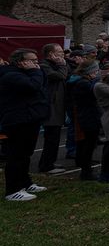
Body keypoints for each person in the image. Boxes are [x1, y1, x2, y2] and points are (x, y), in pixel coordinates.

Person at [0, 49, 50, 201]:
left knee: (26, 154)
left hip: (30, 119)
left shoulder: (26, 74)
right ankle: (13, 190)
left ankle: (25, 182)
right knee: (16, 155)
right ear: (21, 62)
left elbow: (41, 86)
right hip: (17, 120)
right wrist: (36, 72)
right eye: (32, 60)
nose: (36, 64)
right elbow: (33, 86)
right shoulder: (10, 75)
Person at [37, 43, 68, 174]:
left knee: (55, 137)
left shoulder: (56, 66)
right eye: (60, 52)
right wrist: (62, 65)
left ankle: (50, 162)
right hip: (51, 107)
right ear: (51, 54)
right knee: (51, 138)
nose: (62, 55)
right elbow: (60, 76)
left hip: (58, 106)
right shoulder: (45, 66)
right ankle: (46, 165)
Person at [69, 60, 102, 181]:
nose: (97, 73)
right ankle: (86, 171)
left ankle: (84, 166)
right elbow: (95, 92)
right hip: (88, 116)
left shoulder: (82, 81)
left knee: (86, 144)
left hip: (86, 115)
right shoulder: (83, 83)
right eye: (95, 71)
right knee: (88, 144)